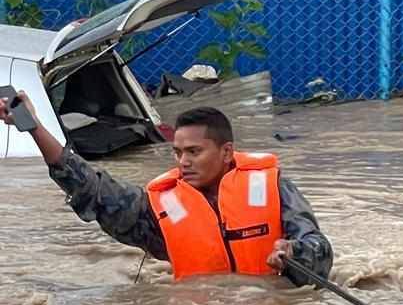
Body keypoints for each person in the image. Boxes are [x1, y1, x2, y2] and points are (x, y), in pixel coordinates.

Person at [0, 93, 332, 285]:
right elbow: (95, 191)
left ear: (227, 152)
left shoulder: (272, 187)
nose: (184, 162)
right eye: (178, 152)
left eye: (194, 152)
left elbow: (320, 251)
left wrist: (294, 253)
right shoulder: (161, 206)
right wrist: (34, 128)